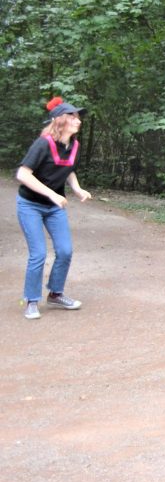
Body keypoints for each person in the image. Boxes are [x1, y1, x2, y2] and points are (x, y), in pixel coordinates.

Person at [16, 97, 92, 320]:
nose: (78, 120)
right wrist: (51, 194)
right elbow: (22, 174)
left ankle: (55, 294)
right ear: (61, 120)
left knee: (65, 250)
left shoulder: (74, 145)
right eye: (73, 116)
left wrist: (77, 189)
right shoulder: (43, 143)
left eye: (78, 117)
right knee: (38, 253)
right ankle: (31, 300)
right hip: (30, 205)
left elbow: (68, 169)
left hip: (54, 207)